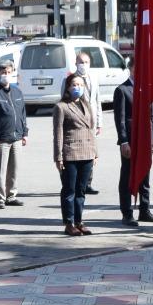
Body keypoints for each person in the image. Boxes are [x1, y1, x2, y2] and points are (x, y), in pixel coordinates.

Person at [52, 73, 98, 236]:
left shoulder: (87, 105)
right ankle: (69, 222)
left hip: (87, 152)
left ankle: (79, 221)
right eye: (73, 85)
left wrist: (95, 152)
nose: (76, 88)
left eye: (79, 85)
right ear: (68, 87)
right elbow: (58, 133)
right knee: (69, 189)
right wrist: (58, 157)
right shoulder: (61, 107)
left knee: (81, 190)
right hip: (70, 153)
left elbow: (90, 130)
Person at [112, 72, 153, 227]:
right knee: (127, 175)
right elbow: (121, 119)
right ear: (131, 69)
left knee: (145, 174)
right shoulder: (122, 90)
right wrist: (124, 141)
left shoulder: (147, 89)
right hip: (130, 140)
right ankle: (127, 213)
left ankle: (144, 210)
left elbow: (152, 116)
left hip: (146, 139)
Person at [0, 59, 28, 208]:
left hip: (16, 137)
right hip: (0, 139)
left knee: (14, 170)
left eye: (8, 72)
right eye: (3, 73)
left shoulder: (17, 91)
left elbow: (22, 114)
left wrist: (24, 132)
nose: (6, 75)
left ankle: (11, 195)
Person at [74, 51, 104, 195]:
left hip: (91, 121)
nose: (83, 65)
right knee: (79, 152)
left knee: (91, 152)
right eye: (80, 62)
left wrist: (99, 122)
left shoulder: (93, 77)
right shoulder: (71, 79)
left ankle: (88, 182)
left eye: (86, 62)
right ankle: (78, 182)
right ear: (76, 64)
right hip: (77, 121)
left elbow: (97, 101)